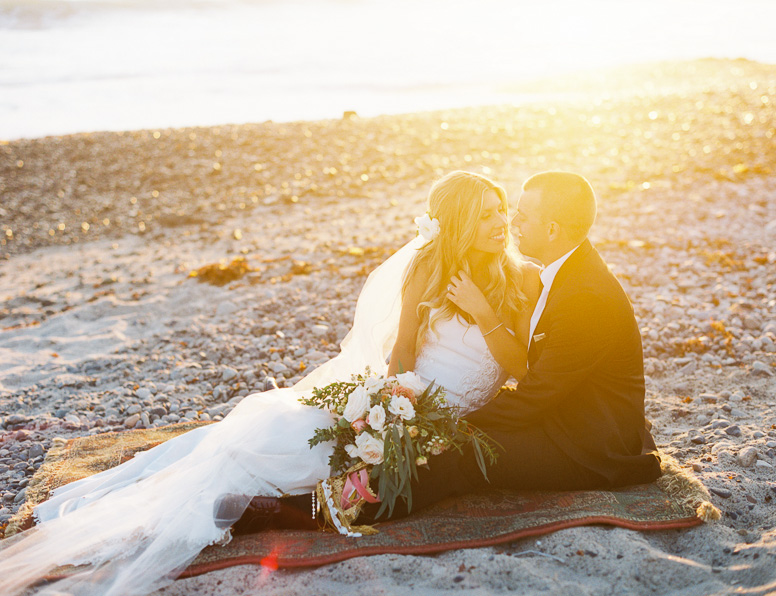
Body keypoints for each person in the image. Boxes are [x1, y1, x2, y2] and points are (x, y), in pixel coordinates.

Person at [0, 171, 539, 596]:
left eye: (501, 212)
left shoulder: (521, 278)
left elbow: (521, 367)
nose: (501, 223)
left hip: (453, 418)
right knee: (288, 440)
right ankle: (210, 505)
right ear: (461, 222)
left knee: (342, 469)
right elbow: (401, 349)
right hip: (405, 400)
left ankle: (253, 506)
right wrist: (393, 399)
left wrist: (481, 310)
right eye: (487, 214)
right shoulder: (428, 270)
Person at [357, 170, 663, 522]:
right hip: (566, 418)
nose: (510, 221)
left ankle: (356, 511)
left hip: (586, 447)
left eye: (520, 214)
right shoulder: (568, 274)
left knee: (465, 453)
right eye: (499, 211)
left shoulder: (583, 295)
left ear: (552, 230)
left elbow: (535, 391)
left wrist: (451, 428)